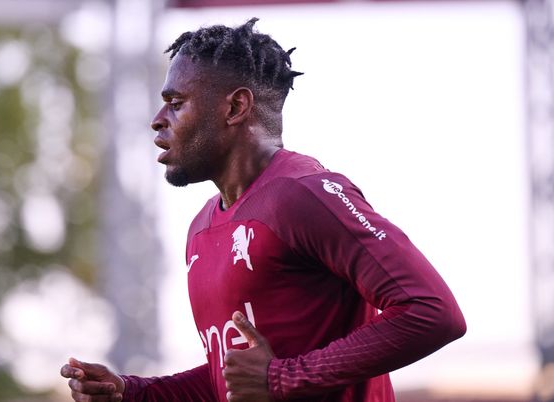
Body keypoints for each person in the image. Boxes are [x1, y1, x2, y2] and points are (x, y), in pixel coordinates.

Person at [60, 18, 466, 402]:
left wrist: (281, 379)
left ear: (235, 107)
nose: (157, 120)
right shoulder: (201, 227)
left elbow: (432, 311)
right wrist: (134, 392)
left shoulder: (305, 194)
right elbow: (236, 382)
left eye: (176, 102)